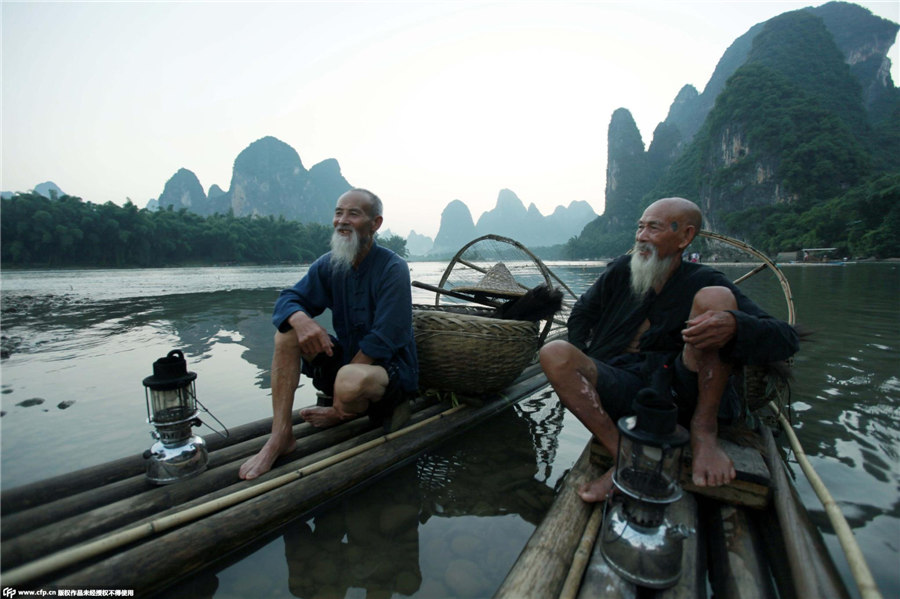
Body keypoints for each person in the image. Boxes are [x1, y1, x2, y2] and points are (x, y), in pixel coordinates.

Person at [540, 197, 799, 502]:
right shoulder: (622, 271)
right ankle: (624, 457)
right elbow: (582, 312)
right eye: (640, 227)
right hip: (621, 381)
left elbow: (786, 339)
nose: (641, 236)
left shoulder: (703, 279)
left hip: (680, 392)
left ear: (685, 237)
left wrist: (734, 324)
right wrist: (586, 353)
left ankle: (704, 433)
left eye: (654, 228)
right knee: (554, 352)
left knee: (717, 300)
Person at [239, 188, 418, 480]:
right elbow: (287, 299)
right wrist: (301, 319)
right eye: (338, 212)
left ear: (375, 224)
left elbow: (386, 337)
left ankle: (343, 409)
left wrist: (337, 404)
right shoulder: (330, 264)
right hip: (347, 364)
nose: (342, 221)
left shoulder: (393, 268)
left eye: (353, 214)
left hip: (391, 372)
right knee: (286, 334)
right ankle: (281, 434)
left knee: (349, 379)